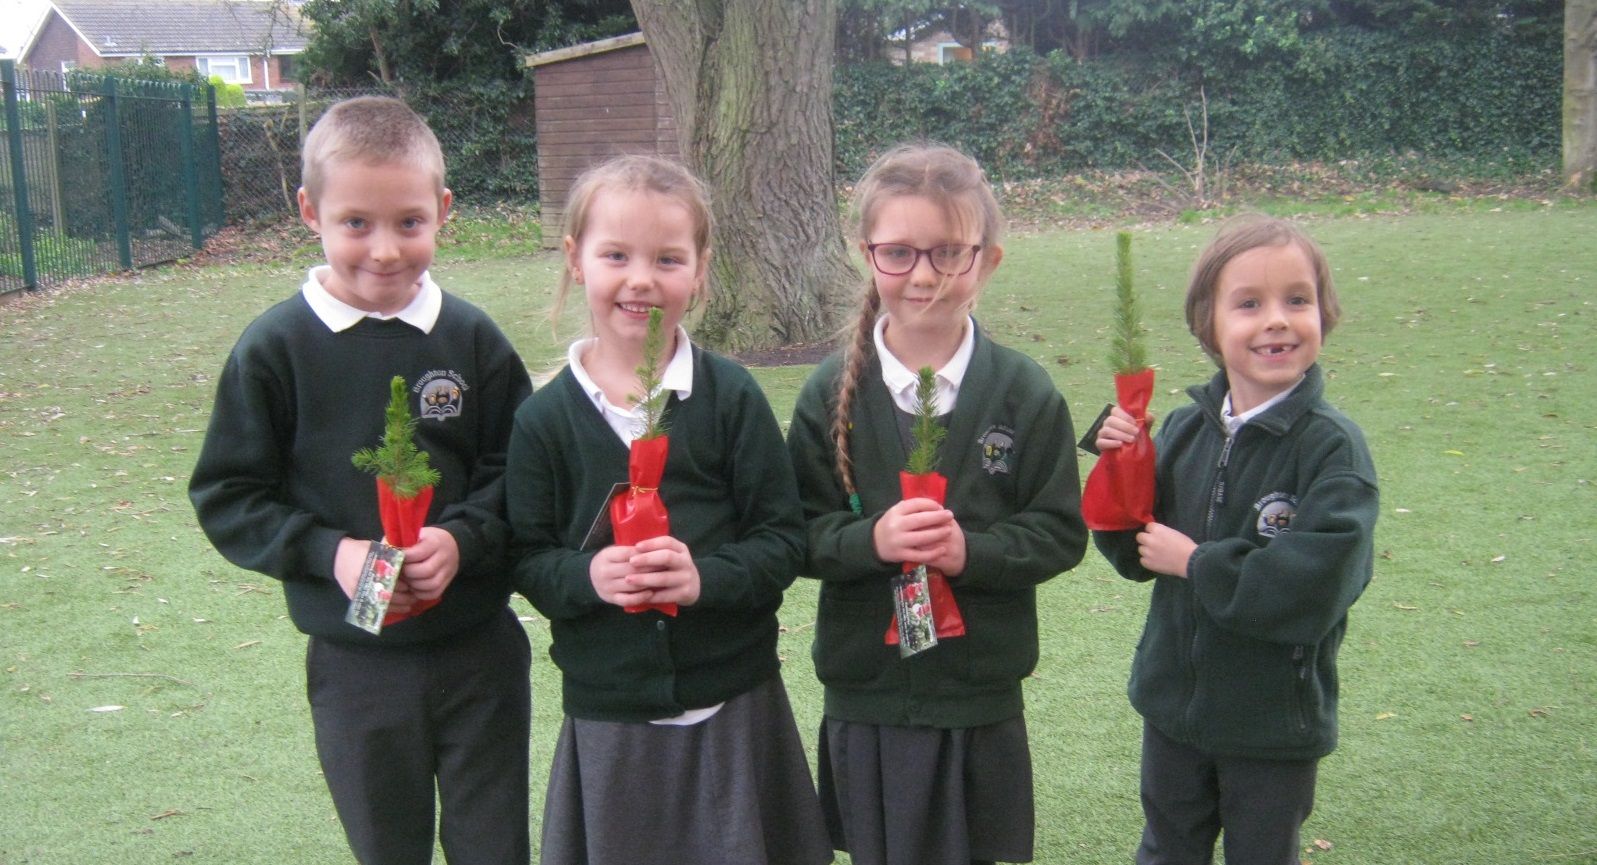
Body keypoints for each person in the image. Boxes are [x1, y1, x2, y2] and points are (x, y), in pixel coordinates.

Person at [188, 96, 533, 865]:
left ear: (443, 211)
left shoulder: (472, 338)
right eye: (356, 223)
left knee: (494, 844)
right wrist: (330, 554)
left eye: (409, 222)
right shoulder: (275, 347)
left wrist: (463, 536)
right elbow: (229, 493)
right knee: (387, 846)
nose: (384, 250)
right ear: (310, 210)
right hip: (354, 664)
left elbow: (523, 468)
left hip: (478, 649)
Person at [505, 154, 832, 865]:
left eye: (667, 257)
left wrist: (702, 578)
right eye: (615, 254)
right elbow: (524, 556)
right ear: (575, 260)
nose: (641, 279)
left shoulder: (730, 396)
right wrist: (590, 578)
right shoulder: (544, 419)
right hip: (610, 714)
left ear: (700, 268)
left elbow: (782, 538)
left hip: (733, 701)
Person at [786, 142, 1088, 865]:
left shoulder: (1024, 393)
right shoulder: (831, 394)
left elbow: (1057, 532)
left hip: (976, 693)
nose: (923, 274)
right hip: (869, 694)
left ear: (987, 260)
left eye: (948, 252)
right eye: (899, 252)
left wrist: (970, 552)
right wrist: (871, 540)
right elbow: (794, 530)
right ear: (867, 255)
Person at [1092, 215, 1379, 865]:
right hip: (1173, 708)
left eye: (1296, 299)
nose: (1275, 319)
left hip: (1270, 723)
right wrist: (1118, 464)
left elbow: (1315, 584)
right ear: (1209, 326)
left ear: (1322, 314)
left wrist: (1195, 563)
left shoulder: (1332, 449)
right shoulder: (1184, 428)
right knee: (1167, 848)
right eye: (1248, 303)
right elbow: (1131, 552)